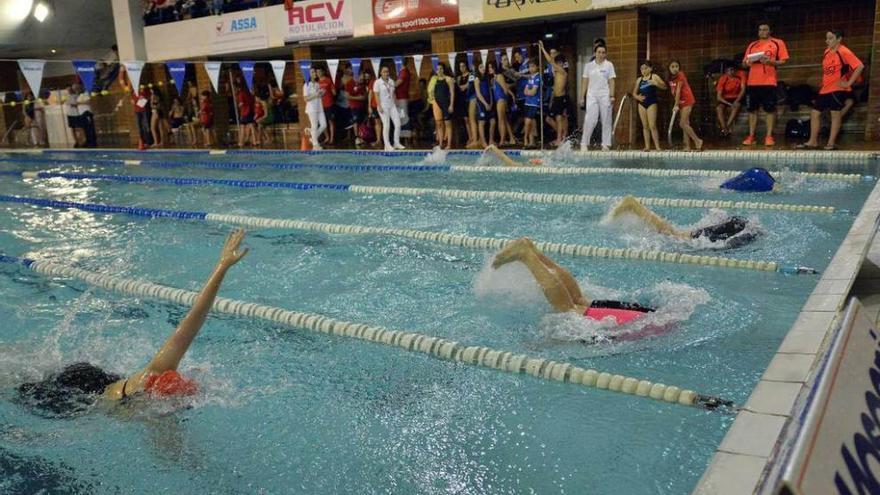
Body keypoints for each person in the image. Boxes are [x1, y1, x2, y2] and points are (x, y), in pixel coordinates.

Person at [17, 230, 249, 417]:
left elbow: (190, 328)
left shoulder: (156, 385)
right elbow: (191, 321)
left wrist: (223, 267)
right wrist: (221, 266)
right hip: (79, 391)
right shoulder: (149, 382)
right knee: (25, 393)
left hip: (107, 383)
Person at [491, 237, 655, 325]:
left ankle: (534, 253)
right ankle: (526, 255)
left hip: (647, 314)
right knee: (568, 310)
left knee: (578, 300)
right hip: (642, 321)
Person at [796, 29, 865, 150]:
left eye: (830, 38)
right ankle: (813, 141)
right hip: (825, 89)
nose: (827, 41)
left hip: (838, 89)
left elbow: (860, 66)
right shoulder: (827, 51)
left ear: (839, 39)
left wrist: (849, 82)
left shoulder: (844, 51)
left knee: (835, 114)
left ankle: (831, 143)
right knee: (815, 113)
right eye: (826, 38)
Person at [609, 196, 758, 248]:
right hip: (731, 229)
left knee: (675, 233)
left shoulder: (745, 227)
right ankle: (632, 205)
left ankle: (633, 205)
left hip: (734, 226)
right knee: (673, 235)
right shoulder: (746, 232)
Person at [741, 22, 789, 146]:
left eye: (765, 29)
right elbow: (744, 63)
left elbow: (783, 61)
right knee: (752, 110)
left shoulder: (777, 43)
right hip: (752, 82)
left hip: (768, 81)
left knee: (769, 109)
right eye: (760, 29)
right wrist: (747, 63)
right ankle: (751, 136)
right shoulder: (752, 45)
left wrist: (770, 62)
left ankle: (769, 136)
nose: (762, 32)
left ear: (770, 31)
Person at [580, 45, 616, 151]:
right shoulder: (588, 66)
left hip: (605, 94)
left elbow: (612, 81)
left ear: (605, 54)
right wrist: (582, 96)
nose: (601, 54)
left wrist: (612, 95)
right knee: (590, 119)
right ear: (595, 53)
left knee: (606, 119)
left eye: (603, 52)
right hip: (592, 95)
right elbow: (585, 81)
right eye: (599, 52)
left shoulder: (609, 65)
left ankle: (606, 144)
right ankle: (584, 143)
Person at [668, 60, 703, 152]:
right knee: (685, 124)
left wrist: (675, 105)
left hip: (687, 101)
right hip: (681, 102)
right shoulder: (671, 78)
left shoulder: (680, 75)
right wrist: (677, 103)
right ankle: (687, 146)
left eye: (676, 66)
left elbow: (678, 91)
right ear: (669, 68)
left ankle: (697, 141)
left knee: (682, 123)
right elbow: (674, 92)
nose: (675, 69)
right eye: (672, 67)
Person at [540, 41, 570, 146]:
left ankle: (560, 139)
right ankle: (562, 137)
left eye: (558, 63)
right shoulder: (557, 72)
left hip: (561, 97)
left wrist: (542, 48)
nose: (556, 65)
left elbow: (550, 60)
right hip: (557, 97)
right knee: (558, 118)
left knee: (559, 118)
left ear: (561, 64)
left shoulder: (562, 71)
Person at [632, 60, 666, 152]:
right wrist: (637, 97)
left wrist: (656, 83)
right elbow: (634, 93)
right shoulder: (639, 80)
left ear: (650, 69)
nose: (643, 70)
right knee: (645, 126)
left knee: (652, 125)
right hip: (642, 104)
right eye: (642, 69)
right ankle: (647, 146)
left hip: (652, 103)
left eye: (645, 68)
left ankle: (657, 146)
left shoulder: (654, 77)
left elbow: (665, 87)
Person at [373, 66, 405, 151]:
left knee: (398, 124)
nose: (386, 73)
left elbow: (393, 93)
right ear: (381, 73)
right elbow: (376, 95)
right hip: (383, 106)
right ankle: (387, 145)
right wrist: (379, 106)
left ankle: (396, 143)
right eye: (384, 72)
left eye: (387, 71)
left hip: (392, 105)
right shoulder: (377, 82)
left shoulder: (391, 81)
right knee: (386, 125)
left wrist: (396, 103)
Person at [715, 65, 745, 138]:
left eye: (732, 70)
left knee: (736, 106)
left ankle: (726, 128)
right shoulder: (723, 79)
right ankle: (724, 128)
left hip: (735, 98)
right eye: (729, 70)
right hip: (724, 99)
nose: (731, 72)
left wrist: (736, 101)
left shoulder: (739, 78)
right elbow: (718, 97)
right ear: (726, 72)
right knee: (719, 108)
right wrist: (728, 103)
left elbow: (742, 90)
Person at [495, 54, 518, 146]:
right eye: (504, 60)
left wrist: (510, 91)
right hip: (503, 97)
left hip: (503, 98)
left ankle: (502, 140)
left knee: (502, 120)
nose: (506, 61)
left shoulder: (502, 74)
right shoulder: (499, 74)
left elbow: (507, 87)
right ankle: (511, 138)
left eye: (507, 59)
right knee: (504, 119)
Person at [432, 62, 455, 150]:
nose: (439, 70)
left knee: (448, 124)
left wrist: (451, 105)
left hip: (446, 104)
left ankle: (449, 144)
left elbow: (452, 93)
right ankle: (441, 143)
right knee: (439, 124)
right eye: (438, 69)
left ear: (443, 69)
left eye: (441, 68)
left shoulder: (448, 79)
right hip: (438, 104)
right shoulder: (435, 80)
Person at [303, 67, 327, 150]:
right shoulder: (306, 85)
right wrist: (316, 94)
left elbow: (318, 95)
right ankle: (315, 145)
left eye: (315, 72)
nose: (315, 73)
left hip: (319, 107)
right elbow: (305, 99)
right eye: (312, 72)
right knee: (314, 126)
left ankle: (313, 137)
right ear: (309, 75)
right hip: (311, 108)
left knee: (324, 125)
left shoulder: (317, 84)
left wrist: (322, 93)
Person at [474, 62, 496, 148]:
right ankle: (483, 142)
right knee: (482, 122)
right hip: (481, 103)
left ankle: (491, 140)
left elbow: (490, 91)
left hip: (488, 102)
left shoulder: (487, 78)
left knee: (493, 121)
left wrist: (490, 102)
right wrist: (485, 104)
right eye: (480, 67)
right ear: (478, 69)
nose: (482, 69)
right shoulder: (477, 79)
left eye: (483, 67)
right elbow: (478, 93)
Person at [458, 61, 478, 149]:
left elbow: (468, 86)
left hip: (470, 98)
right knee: (466, 120)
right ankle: (470, 137)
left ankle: (475, 137)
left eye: (463, 66)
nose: (462, 68)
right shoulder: (459, 77)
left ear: (466, 66)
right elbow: (459, 87)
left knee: (472, 119)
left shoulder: (471, 75)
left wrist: (463, 87)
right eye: (460, 66)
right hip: (462, 100)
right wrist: (462, 87)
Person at [522, 60, 541, 149]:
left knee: (528, 122)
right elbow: (524, 91)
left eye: (533, 66)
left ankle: (525, 138)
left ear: (537, 67)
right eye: (529, 66)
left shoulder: (538, 77)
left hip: (534, 103)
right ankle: (531, 142)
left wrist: (528, 91)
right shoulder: (530, 77)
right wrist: (529, 91)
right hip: (527, 102)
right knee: (530, 122)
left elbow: (533, 92)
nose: (531, 68)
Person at [347, 70, 368, 145]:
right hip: (354, 106)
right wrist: (358, 98)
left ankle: (361, 137)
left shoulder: (362, 84)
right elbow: (347, 96)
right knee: (355, 121)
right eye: (362, 75)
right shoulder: (349, 83)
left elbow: (365, 96)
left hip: (362, 106)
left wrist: (362, 98)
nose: (363, 76)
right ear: (357, 75)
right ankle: (356, 137)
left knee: (361, 121)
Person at [317, 67, 336, 145]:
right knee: (323, 122)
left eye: (319, 72)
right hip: (320, 105)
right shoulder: (316, 82)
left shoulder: (328, 80)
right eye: (317, 72)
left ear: (323, 72)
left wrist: (328, 93)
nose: (318, 73)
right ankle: (327, 137)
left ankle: (331, 139)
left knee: (331, 121)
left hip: (329, 104)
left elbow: (334, 92)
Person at [235, 80, 255, 147]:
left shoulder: (241, 93)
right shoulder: (248, 93)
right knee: (251, 127)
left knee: (242, 127)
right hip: (250, 111)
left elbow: (241, 104)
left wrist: (238, 105)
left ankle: (241, 142)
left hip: (245, 112)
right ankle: (254, 141)